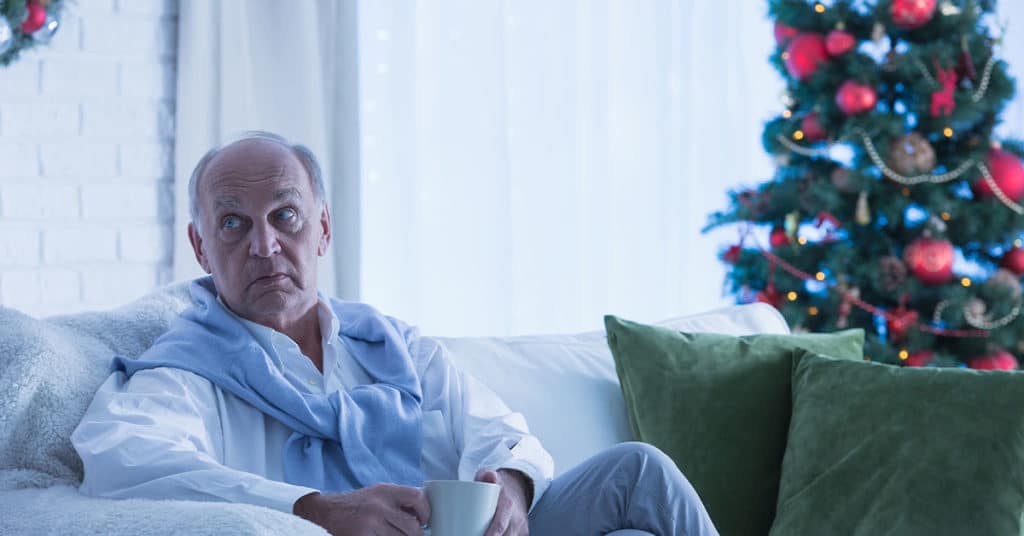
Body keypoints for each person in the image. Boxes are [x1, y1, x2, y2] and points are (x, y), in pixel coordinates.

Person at [72, 132, 718, 536]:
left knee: (639, 469)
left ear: (321, 229)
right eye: (234, 224)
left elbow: (499, 432)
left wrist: (513, 486)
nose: (266, 245)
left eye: (286, 216)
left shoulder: (391, 344)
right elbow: (123, 460)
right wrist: (314, 507)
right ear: (201, 247)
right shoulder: (184, 368)